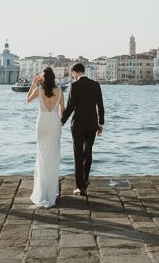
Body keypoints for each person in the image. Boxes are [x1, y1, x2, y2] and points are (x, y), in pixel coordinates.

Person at [60, 62, 104, 197]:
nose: (72, 76)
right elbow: (100, 106)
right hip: (92, 125)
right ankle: (85, 180)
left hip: (78, 125)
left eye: (72, 73)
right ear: (83, 71)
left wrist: (61, 122)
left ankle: (80, 187)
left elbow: (70, 107)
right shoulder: (96, 85)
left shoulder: (74, 86)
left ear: (75, 72)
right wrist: (100, 124)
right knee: (88, 152)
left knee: (78, 155)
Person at [26, 67, 64, 207]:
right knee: (53, 155)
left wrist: (33, 83)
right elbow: (63, 110)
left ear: (42, 78)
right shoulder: (60, 91)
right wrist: (60, 124)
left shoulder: (38, 90)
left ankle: (41, 191)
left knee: (41, 155)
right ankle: (51, 192)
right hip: (55, 122)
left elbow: (27, 100)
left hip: (42, 122)